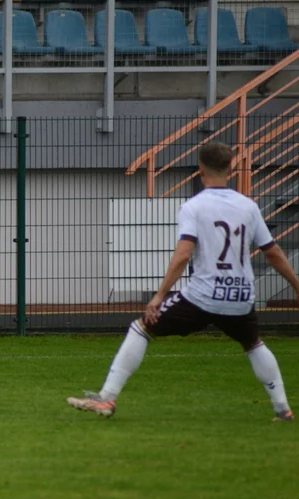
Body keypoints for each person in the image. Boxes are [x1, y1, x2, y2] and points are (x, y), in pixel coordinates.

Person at [67, 142, 299, 421]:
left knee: (141, 328)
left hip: (203, 296)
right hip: (240, 296)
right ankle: (282, 408)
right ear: (233, 168)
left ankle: (107, 398)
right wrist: (297, 287)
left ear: (200, 169)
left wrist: (159, 296)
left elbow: (183, 255)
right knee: (253, 344)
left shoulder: (194, 206)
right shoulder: (248, 206)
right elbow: (272, 252)